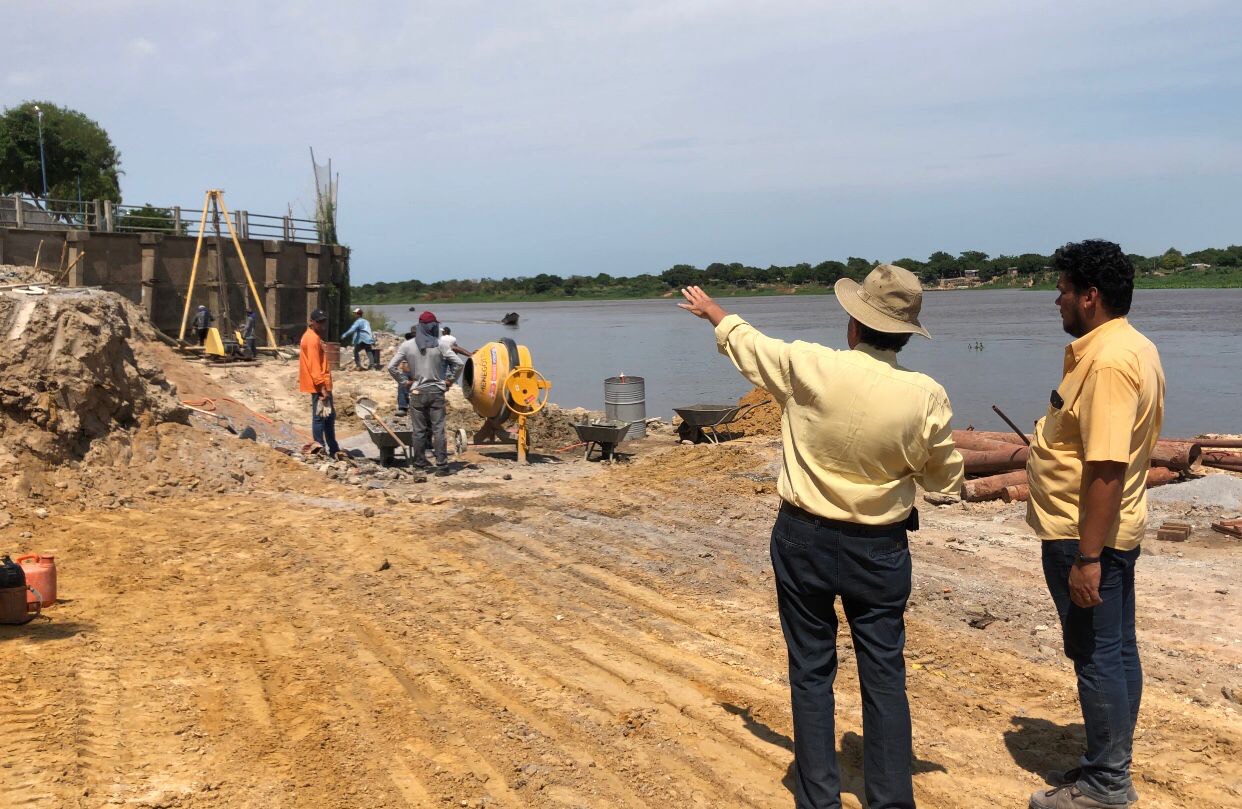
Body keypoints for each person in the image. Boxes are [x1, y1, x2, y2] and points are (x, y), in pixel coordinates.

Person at [678, 265, 964, 809]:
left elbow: (750, 345)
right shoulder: (926, 395)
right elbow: (943, 479)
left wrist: (714, 312)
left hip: (802, 539)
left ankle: (818, 800)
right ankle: (890, 800)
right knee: (884, 675)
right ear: (906, 333)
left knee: (810, 671)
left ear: (853, 323)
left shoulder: (809, 365)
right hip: (880, 549)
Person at [1026, 241, 1164, 809]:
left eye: (1062, 290)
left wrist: (1087, 558)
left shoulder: (1107, 363)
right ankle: (1106, 762)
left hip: (1086, 536)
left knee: (1096, 654)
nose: (1056, 300)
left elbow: (1106, 465)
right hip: (1110, 532)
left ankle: (1108, 784)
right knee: (1116, 648)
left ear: (1090, 296)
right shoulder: (1132, 346)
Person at [387, 311, 464, 474]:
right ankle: (442, 465)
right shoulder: (440, 345)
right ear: (434, 327)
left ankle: (420, 466)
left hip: (417, 392)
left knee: (419, 431)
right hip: (437, 392)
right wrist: (449, 380)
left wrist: (405, 382)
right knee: (438, 430)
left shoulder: (407, 345)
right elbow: (459, 363)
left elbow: (391, 367)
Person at [299, 308, 340, 457]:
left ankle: (333, 447)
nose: (322, 325)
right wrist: (322, 388)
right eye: (319, 322)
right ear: (312, 322)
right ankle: (320, 447)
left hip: (321, 383)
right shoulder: (312, 339)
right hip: (319, 385)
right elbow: (314, 365)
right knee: (320, 417)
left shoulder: (312, 336)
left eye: (324, 321)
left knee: (328, 416)